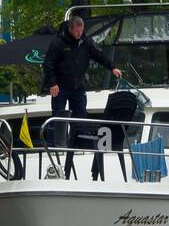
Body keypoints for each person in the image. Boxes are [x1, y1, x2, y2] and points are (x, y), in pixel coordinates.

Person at [41, 15, 121, 149]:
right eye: (77, 31)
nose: (79, 33)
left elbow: (99, 55)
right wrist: (52, 83)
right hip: (60, 86)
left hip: (78, 86)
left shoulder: (86, 42)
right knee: (58, 115)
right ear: (70, 28)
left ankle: (80, 145)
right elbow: (48, 64)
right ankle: (53, 145)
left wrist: (112, 67)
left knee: (80, 116)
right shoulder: (58, 43)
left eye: (81, 30)